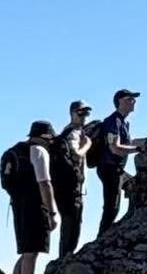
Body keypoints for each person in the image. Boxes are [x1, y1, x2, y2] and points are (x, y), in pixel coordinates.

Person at [6, 120, 58, 274]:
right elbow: (44, 183)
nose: (51, 142)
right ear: (45, 137)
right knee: (32, 250)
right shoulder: (39, 151)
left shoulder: (17, 150)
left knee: (26, 247)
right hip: (35, 205)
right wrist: (52, 212)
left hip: (17, 203)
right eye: (50, 139)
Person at [50, 100, 93, 257]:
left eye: (86, 114)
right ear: (72, 114)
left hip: (63, 186)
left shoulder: (68, 132)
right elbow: (76, 154)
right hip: (71, 187)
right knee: (72, 223)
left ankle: (65, 257)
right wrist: (87, 144)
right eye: (81, 113)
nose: (84, 117)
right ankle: (65, 258)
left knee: (70, 223)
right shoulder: (73, 133)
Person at [98, 89, 139, 235]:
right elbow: (115, 148)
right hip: (110, 168)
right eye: (130, 99)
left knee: (135, 187)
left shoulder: (123, 122)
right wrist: (139, 149)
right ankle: (102, 239)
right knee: (112, 207)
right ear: (120, 101)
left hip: (117, 169)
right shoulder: (113, 121)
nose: (134, 102)